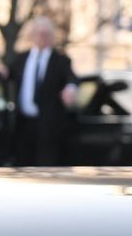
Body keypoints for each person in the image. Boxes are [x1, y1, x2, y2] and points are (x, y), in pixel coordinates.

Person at [4, 16, 77, 166]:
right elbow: (6, 75)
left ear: (52, 37)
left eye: (46, 34)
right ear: (32, 35)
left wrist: (70, 89)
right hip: (23, 124)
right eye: (39, 33)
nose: (43, 37)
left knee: (46, 165)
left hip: (49, 126)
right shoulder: (21, 58)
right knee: (23, 165)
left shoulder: (61, 60)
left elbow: (72, 78)